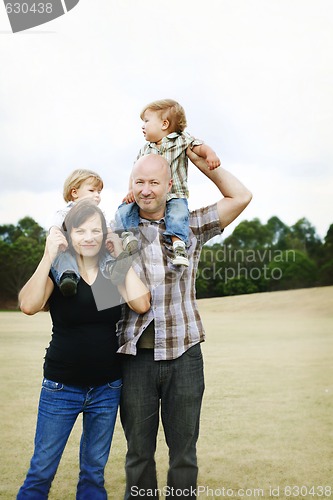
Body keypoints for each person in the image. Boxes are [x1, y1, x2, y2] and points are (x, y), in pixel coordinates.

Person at [116, 152, 252, 499]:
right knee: (138, 456)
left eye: (154, 182)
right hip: (133, 359)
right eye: (139, 182)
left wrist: (205, 162)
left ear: (170, 185)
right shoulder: (115, 233)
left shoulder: (189, 224)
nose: (146, 190)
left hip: (185, 356)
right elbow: (108, 293)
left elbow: (241, 197)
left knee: (184, 457)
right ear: (131, 186)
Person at [17, 200, 150, 499]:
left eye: (95, 230)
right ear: (68, 233)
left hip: (106, 388)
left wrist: (121, 257)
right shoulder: (62, 274)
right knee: (41, 471)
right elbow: (28, 305)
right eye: (80, 231)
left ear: (105, 234)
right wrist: (48, 255)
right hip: (61, 388)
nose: (88, 237)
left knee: (93, 474)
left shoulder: (108, 276)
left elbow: (141, 304)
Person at [115, 99, 221, 267]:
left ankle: (178, 245)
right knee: (124, 209)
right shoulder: (145, 149)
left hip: (175, 194)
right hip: (148, 194)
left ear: (164, 124)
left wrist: (211, 155)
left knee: (178, 215)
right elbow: (135, 173)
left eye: (147, 121)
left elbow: (200, 146)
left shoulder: (180, 140)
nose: (143, 126)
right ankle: (129, 236)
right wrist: (130, 190)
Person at [50, 168, 138, 297]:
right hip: (69, 248)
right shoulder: (65, 212)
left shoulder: (99, 213)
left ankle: (113, 268)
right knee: (63, 258)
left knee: (104, 252)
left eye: (99, 192)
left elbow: (107, 229)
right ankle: (68, 278)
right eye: (92, 190)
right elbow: (54, 227)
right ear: (74, 192)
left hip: (92, 249)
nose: (97, 195)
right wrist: (56, 238)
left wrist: (111, 238)